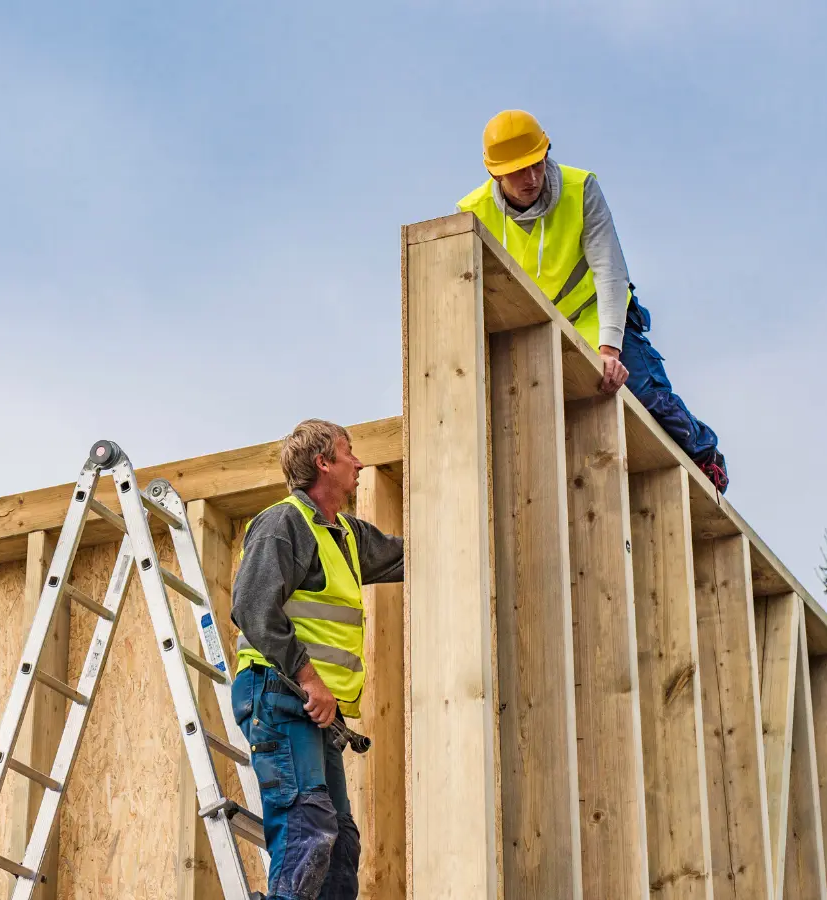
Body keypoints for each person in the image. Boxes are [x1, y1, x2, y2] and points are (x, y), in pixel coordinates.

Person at [457, 109, 729, 492]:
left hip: (597, 312)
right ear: (495, 173)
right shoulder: (471, 214)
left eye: (537, 163)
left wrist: (610, 351)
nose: (532, 178)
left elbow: (610, 272)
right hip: (538, 328)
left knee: (644, 393)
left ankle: (704, 453)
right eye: (519, 171)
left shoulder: (580, 187)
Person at [230, 419, 403, 899]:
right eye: (350, 453)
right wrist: (310, 680)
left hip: (317, 714)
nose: (360, 463)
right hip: (282, 697)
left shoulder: (345, 535)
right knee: (307, 828)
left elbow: (414, 555)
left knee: (339, 844)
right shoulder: (283, 523)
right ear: (323, 462)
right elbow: (251, 607)